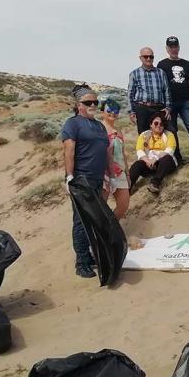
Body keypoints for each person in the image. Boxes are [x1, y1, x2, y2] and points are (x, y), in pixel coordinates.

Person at [61, 84, 115, 279]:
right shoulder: (72, 124)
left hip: (98, 179)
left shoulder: (99, 126)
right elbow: (69, 151)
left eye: (95, 101)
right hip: (81, 180)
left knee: (95, 219)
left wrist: (110, 176)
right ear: (79, 104)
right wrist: (69, 177)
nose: (93, 104)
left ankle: (91, 256)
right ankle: (81, 262)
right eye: (88, 102)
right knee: (81, 221)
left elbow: (106, 152)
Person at [156, 36, 189, 163]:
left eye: (175, 46)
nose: (173, 49)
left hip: (185, 101)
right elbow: (160, 84)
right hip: (169, 103)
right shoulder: (162, 64)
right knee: (172, 130)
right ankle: (177, 156)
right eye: (171, 47)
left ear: (179, 47)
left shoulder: (187, 64)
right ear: (167, 48)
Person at [128, 111, 178, 194]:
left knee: (167, 158)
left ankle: (155, 183)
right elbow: (140, 150)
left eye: (161, 124)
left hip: (164, 163)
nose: (158, 126)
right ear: (151, 124)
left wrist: (155, 159)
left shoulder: (169, 135)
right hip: (149, 163)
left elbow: (169, 150)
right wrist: (147, 161)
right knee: (137, 164)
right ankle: (126, 189)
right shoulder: (144, 135)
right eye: (156, 123)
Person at [127, 47, 172, 133]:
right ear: (140, 58)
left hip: (159, 108)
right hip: (142, 109)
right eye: (146, 56)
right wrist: (132, 112)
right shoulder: (134, 74)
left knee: (169, 132)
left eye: (151, 57)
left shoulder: (161, 73)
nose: (148, 59)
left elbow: (167, 91)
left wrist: (168, 108)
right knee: (145, 135)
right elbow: (130, 94)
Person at [100, 97, 130, 220]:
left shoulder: (119, 133)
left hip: (119, 172)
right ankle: (100, 234)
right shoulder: (98, 129)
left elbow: (122, 154)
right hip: (104, 172)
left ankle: (111, 229)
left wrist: (127, 174)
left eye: (116, 110)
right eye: (110, 109)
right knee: (101, 206)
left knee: (123, 205)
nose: (113, 113)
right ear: (103, 111)